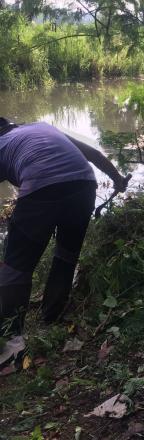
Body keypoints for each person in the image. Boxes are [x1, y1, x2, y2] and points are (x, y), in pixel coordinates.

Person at [0, 118, 128, 368]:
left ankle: (11, 346)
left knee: (15, 268)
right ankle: (51, 316)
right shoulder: (42, 127)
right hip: (84, 184)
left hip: (42, 187)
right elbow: (92, 153)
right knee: (66, 255)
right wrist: (118, 179)